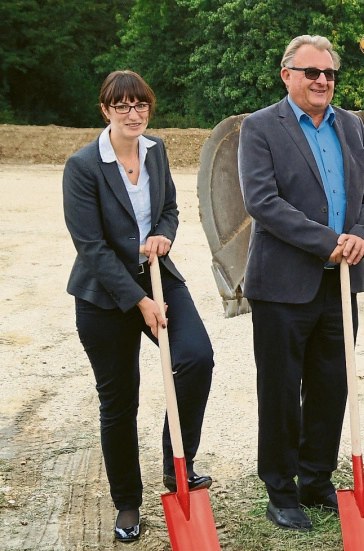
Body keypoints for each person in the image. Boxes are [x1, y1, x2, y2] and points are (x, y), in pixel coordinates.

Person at [238, 35, 364, 531]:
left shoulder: (350, 125)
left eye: (329, 73)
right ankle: (281, 491)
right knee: (281, 391)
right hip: (283, 285)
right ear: (287, 75)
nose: (322, 81)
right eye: (311, 72)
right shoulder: (260, 128)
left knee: (331, 386)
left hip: (341, 282)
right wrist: (328, 240)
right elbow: (263, 201)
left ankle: (316, 479)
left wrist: (362, 237)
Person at [63, 70, 215, 542]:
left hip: (158, 277)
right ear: (105, 110)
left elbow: (168, 206)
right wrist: (140, 301)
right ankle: (128, 502)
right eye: (123, 106)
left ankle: (178, 464)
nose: (134, 114)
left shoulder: (156, 150)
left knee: (196, 358)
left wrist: (164, 233)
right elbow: (90, 245)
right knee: (119, 400)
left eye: (141, 105)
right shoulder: (83, 165)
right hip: (103, 297)